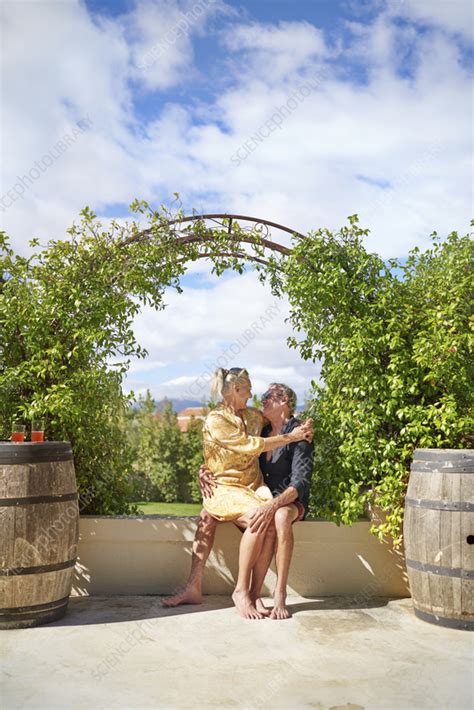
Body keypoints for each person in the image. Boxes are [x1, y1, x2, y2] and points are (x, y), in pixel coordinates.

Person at [162, 374, 313, 619]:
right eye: (252, 391)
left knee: (268, 519)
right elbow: (243, 446)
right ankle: (201, 588)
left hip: (263, 491)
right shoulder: (225, 419)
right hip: (232, 489)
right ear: (237, 388)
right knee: (208, 516)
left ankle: (254, 593)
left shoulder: (257, 418)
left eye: (265, 395)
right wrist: (205, 470)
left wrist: (301, 429)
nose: (256, 397)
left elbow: (298, 478)